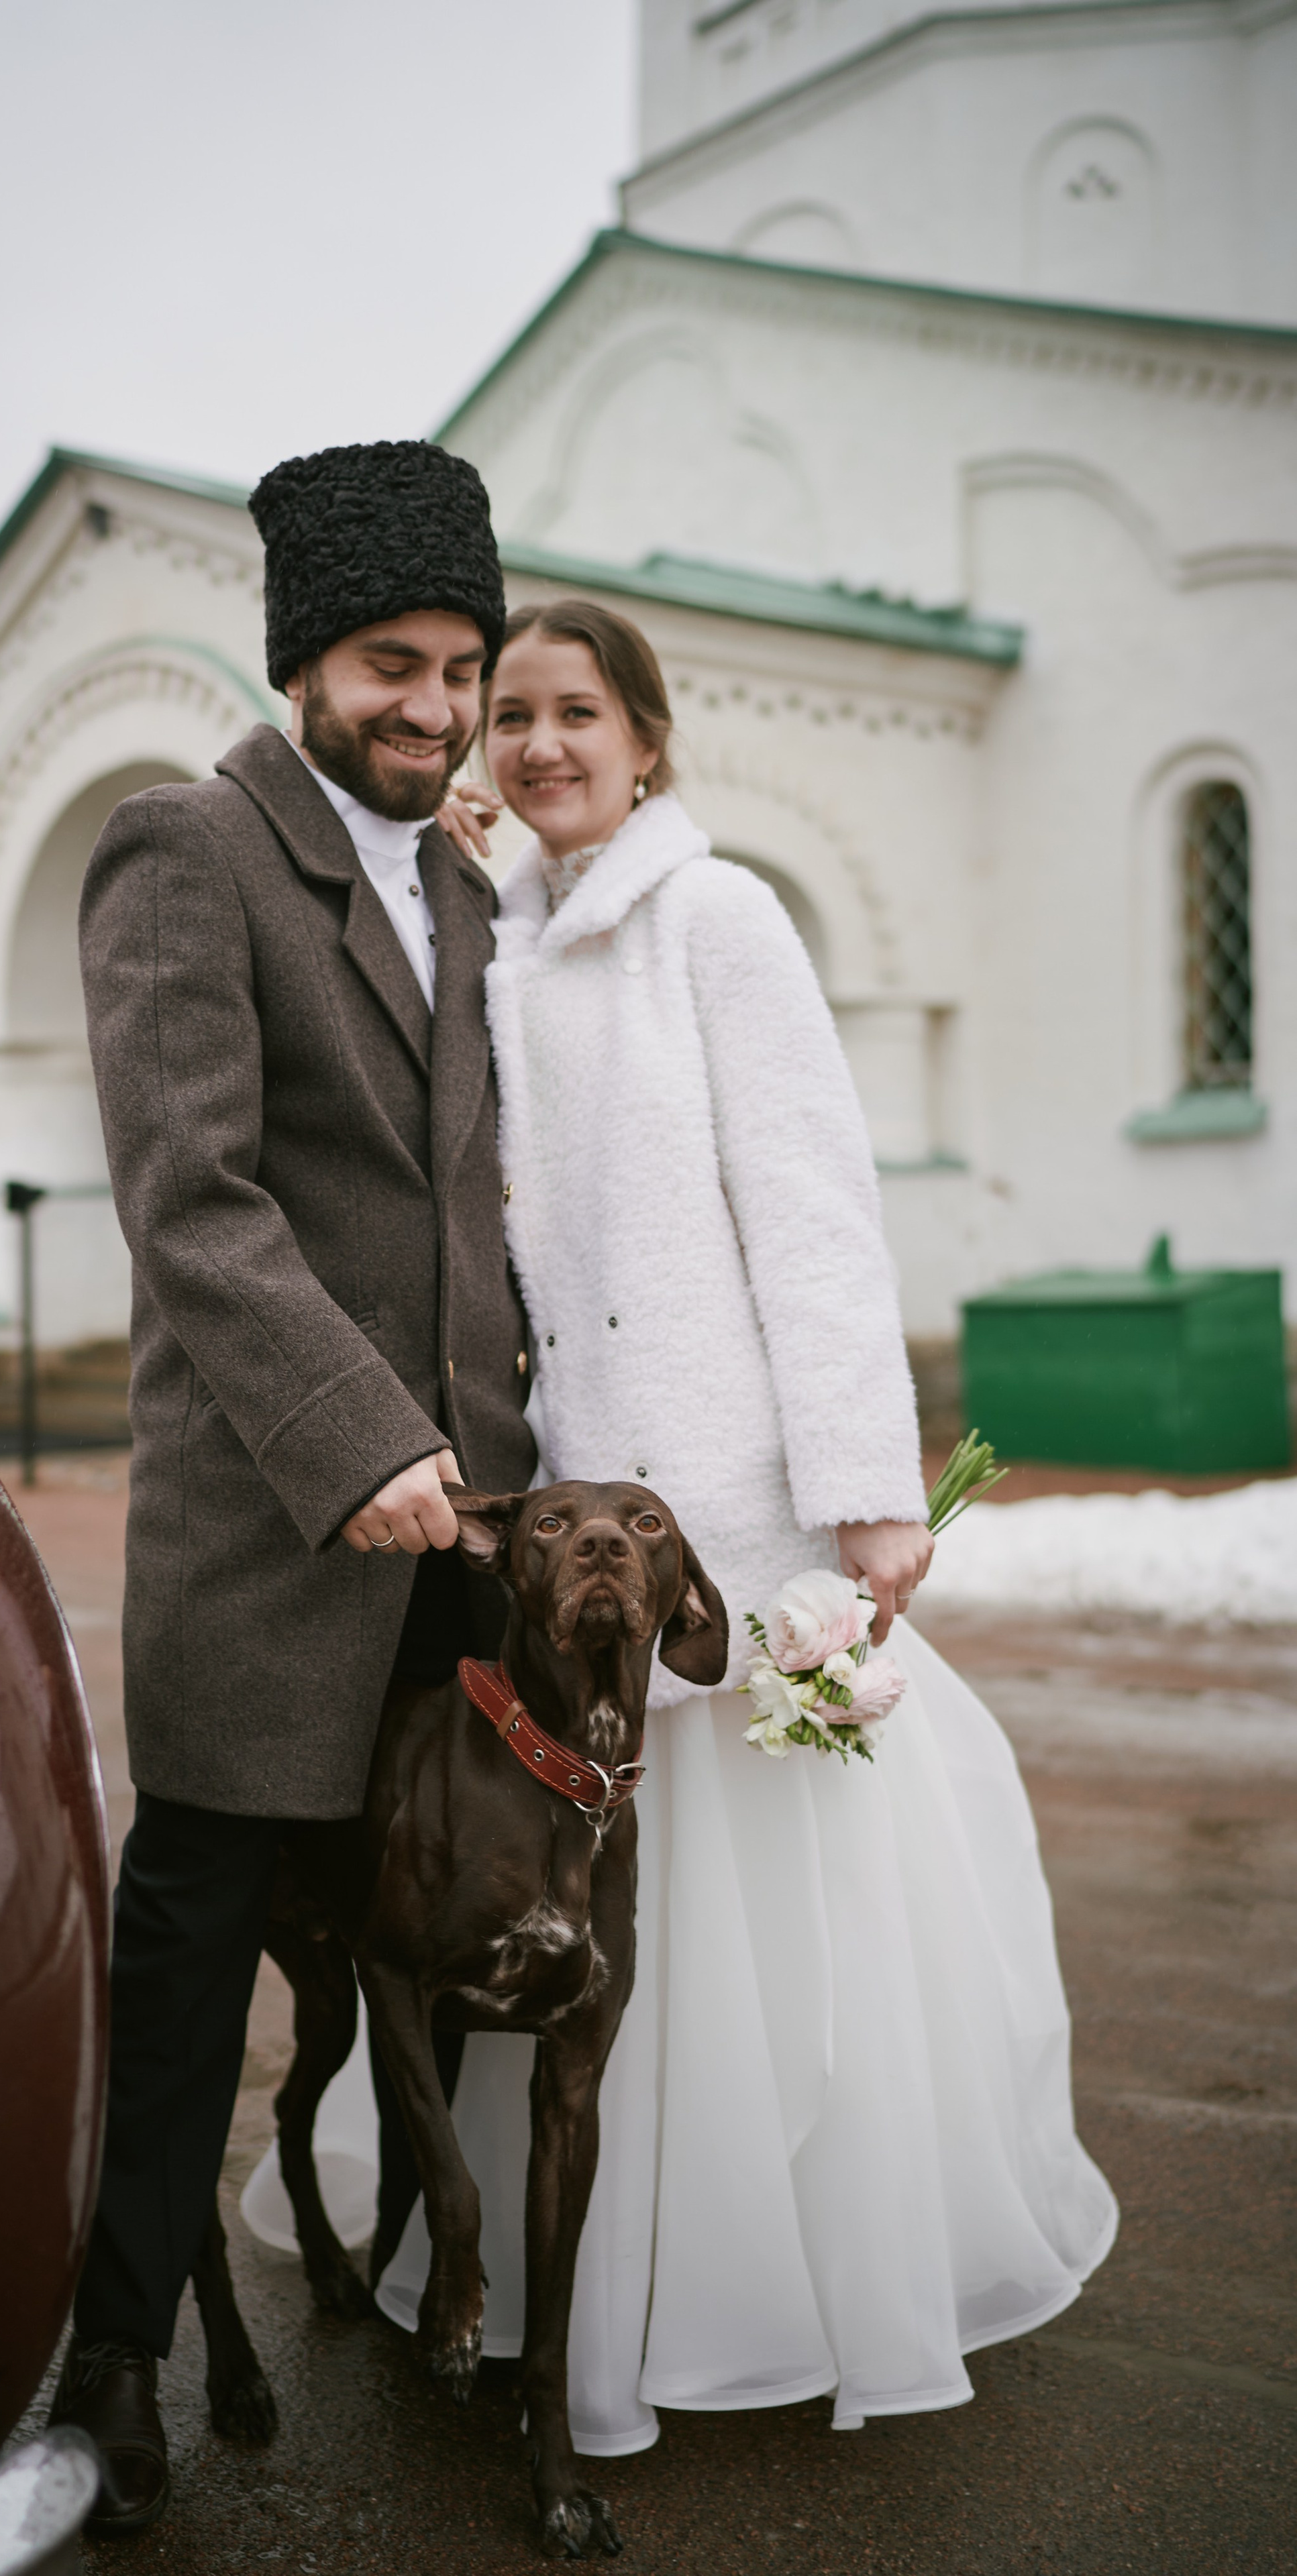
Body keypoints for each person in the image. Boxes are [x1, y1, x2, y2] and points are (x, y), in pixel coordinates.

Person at [373, 598, 1117, 2450]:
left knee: (768, 1925)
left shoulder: (717, 919)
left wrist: (868, 1498)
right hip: (584, 1529)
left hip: (740, 1508)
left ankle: (783, 2281)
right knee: (598, 1895)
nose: (538, 744)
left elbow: (811, 1203)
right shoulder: (513, 945)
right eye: (512, 718)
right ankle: (581, 2280)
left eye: (576, 713)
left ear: (648, 734)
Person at [54, 441, 535, 2529]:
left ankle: (448, 2292)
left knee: (451, 1943)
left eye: (462, 666)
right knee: (188, 1978)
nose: (432, 705)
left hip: (471, 1535)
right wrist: (358, 1447)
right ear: (301, 664)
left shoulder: (459, 886)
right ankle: (108, 2363)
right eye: (388, 665)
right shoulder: (184, 849)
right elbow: (197, 1205)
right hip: (275, 1533)